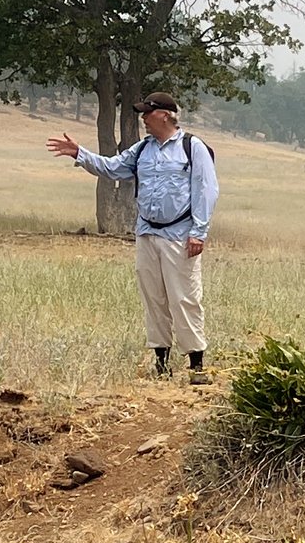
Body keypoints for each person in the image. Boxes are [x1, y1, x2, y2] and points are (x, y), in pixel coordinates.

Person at [48, 91, 220, 384]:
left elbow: (206, 191)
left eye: (148, 113)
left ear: (165, 115)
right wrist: (80, 154)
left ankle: (196, 364)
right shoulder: (143, 149)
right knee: (153, 297)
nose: (143, 118)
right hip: (147, 233)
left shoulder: (193, 148)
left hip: (180, 235)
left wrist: (198, 233)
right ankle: (161, 363)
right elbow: (112, 168)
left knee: (184, 297)